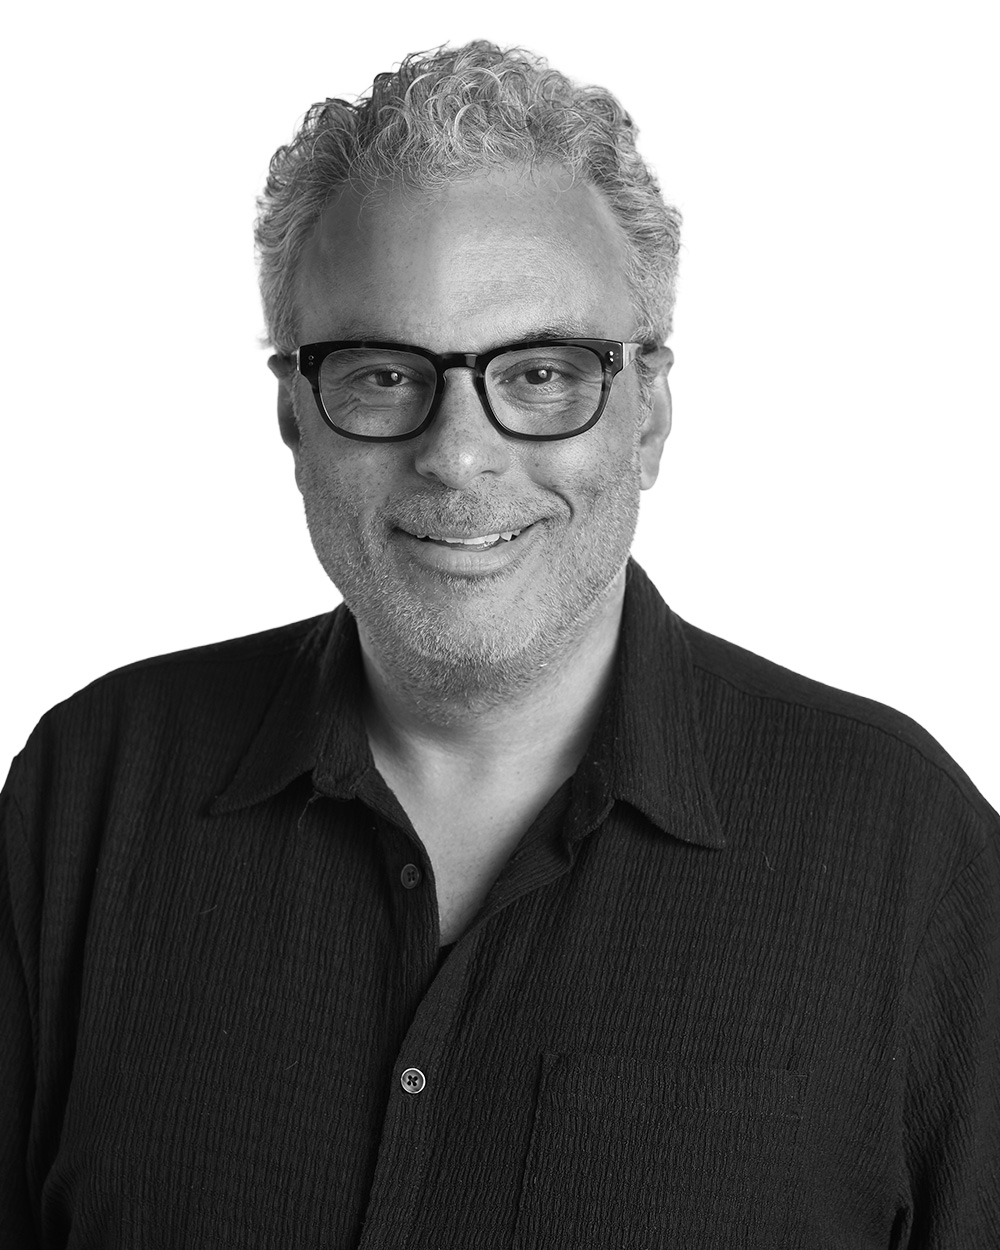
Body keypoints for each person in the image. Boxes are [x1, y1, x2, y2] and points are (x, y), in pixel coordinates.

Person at [1, 39, 997, 1250]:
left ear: (647, 415)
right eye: (382, 373)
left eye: (539, 372)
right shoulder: (91, 790)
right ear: (294, 414)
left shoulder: (906, 849)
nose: (459, 454)